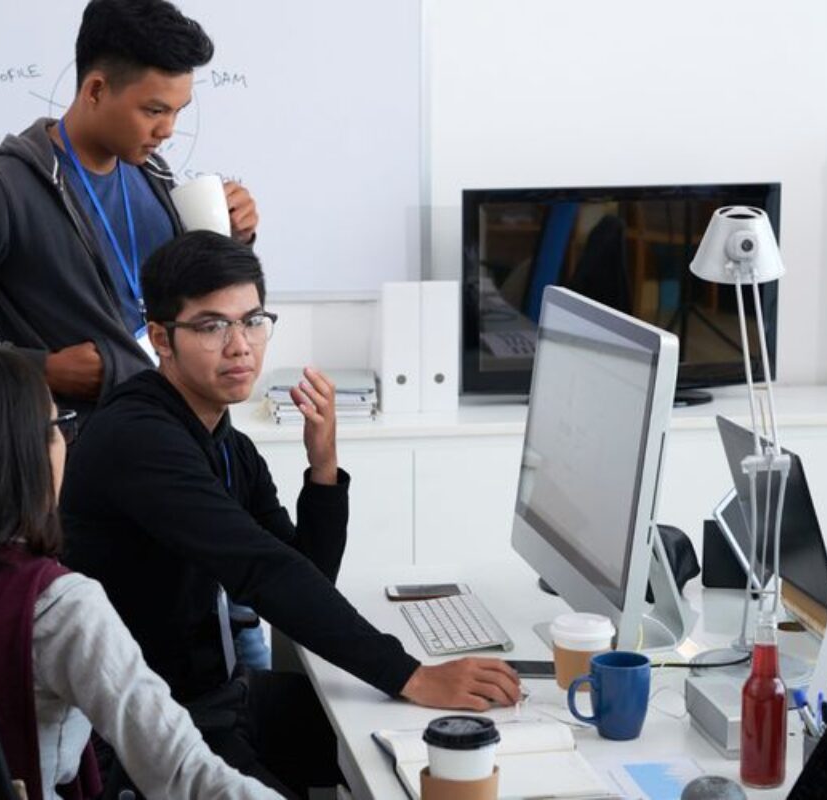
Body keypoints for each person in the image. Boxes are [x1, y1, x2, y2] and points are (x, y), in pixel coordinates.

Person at [59, 231, 521, 798]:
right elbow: (265, 574)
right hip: (149, 727)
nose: (240, 346)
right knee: (390, 742)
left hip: (218, 698)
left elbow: (303, 570)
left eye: (253, 321)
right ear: (161, 338)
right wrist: (411, 674)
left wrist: (322, 464)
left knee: (405, 739)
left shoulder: (222, 439)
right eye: (211, 326)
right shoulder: (141, 440)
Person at [0, 344, 281, 800]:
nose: (65, 445)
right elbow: (181, 774)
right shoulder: (58, 607)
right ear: (20, 454)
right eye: (58, 428)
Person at [0, 0, 259, 422]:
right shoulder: (3, 188)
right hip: (79, 461)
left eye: (177, 112)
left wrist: (236, 241)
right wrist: (41, 369)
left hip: (172, 431)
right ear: (94, 90)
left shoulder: (154, 176)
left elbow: (192, 306)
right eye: (154, 110)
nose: (167, 130)